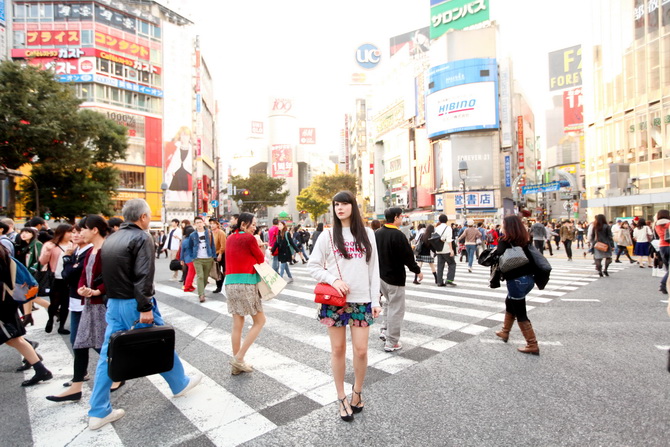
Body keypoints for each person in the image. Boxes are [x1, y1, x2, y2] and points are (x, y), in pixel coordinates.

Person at [88, 199, 201, 431]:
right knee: (158, 341)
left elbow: (105, 275)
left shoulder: (112, 238)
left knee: (110, 354)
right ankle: (179, 383)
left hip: (115, 303)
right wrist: (145, 306)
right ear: (142, 217)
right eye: (149, 215)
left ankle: (98, 410)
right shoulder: (141, 237)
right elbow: (143, 276)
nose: (149, 219)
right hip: (134, 302)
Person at [307, 191, 381, 422]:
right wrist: (334, 280)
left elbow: (373, 268)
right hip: (335, 301)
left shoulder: (367, 233)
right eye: (336, 204)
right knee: (338, 350)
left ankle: (357, 393)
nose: (340, 208)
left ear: (353, 206)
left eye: (344, 204)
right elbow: (313, 266)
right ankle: (341, 397)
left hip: (361, 300)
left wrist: (376, 300)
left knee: (361, 350)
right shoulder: (327, 236)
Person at [46, 216, 123, 402]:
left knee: (100, 345)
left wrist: (97, 290)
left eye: (82, 230)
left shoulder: (107, 250)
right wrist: (83, 287)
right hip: (87, 302)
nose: (79, 233)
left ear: (94, 230)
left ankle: (119, 371)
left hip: (101, 304)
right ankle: (77, 386)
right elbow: (80, 276)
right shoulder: (90, 251)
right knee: (80, 342)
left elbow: (113, 277)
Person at [0, 245, 53, 386]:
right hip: (8, 301)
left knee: (12, 337)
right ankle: (38, 364)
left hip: (4, 304)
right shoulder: (3, 251)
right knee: (12, 338)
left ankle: (40, 367)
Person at [223, 212, 266, 375]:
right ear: (243, 224)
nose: (255, 228)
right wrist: (261, 246)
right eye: (253, 224)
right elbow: (261, 259)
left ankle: (236, 366)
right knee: (260, 321)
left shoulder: (230, 238)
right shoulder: (249, 239)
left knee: (237, 324)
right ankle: (238, 358)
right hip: (246, 283)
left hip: (230, 284)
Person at [492, 215, 540, 355]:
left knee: (521, 313)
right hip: (528, 280)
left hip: (516, 281)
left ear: (508, 227)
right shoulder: (525, 240)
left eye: (503, 224)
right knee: (510, 301)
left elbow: (497, 256)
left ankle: (532, 344)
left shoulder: (505, 241)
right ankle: (504, 331)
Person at [376, 207, 422, 352]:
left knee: (388, 304)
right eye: (401, 217)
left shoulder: (377, 233)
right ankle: (391, 342)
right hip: (395, 277)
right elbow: (408, 257)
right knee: (396, 309)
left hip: (380, 276)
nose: (402, 219)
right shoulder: (398, 235)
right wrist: (417, 271)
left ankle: (385, 329)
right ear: (396, 217)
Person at [39, 223, 74, 334]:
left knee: (66, 304)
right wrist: (47, 251)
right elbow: (42, 261)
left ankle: (61, 326)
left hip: (68, 278)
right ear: (62, 232)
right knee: (54, 302)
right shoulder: (50, 245)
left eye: (72, 232)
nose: (71, 234)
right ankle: (50, 319)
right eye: (69, 232)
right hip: (55, 277)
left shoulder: (73, 245)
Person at [16, 227, 49, 326]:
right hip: (27, 274)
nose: (24, 234)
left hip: (34, 274)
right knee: (27, 295)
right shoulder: (25, 245)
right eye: (22, 232)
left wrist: (32, 271)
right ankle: (28, 316)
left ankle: (54, 309)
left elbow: (41, 260)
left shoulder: (36, 244)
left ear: (33, 234)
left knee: (31, 295)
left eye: (27, 232)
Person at [184, 216, 216, 303]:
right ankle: (201, 294)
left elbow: (212, 245)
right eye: (197, 223)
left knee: (205, 278)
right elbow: (190, 247)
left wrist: (213, 256)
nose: (199, 224)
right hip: (197, 258)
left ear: (203, 223)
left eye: (200, 222)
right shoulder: (192, 235)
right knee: (200, 276)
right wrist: (192, 256)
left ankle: (201, 290)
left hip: (208, 258)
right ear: (195, 224)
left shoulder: (209, 233)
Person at [434, 214, 457, 287]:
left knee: (440, 266)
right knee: (452, 264)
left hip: (439, 249)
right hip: (446, 249)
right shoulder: (448, 228)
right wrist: (451, 250)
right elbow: (449, 240)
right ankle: (449, 279)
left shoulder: (437, 228)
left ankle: (439, 281)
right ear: (446, 220)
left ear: (439, 220)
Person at [654, 210, 670, 295]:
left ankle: (667, 286)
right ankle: (663, 285)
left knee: (668, 267)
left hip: (662, 246)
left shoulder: (656, 224)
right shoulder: (669, 223)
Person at [210, 218, 227, 294]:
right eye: (211, 223)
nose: (212, 225)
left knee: (224, 270)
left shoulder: (221, 233)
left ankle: (223, 286)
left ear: (217, 224)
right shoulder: (210, 233)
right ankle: (219, 286)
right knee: (216, 271)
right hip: (213, 254)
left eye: (213, 223)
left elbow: (223, 245)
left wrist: (220, 254)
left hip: (222, 253)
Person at [180, 225, 196, 292]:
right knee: (191, 273)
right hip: (192, 259)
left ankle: (189, 285)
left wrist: (182, 259)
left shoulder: (184, 240)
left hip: (186, 259)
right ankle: (187, 286)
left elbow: (182, 251)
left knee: (190, 273)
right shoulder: (192, 240)